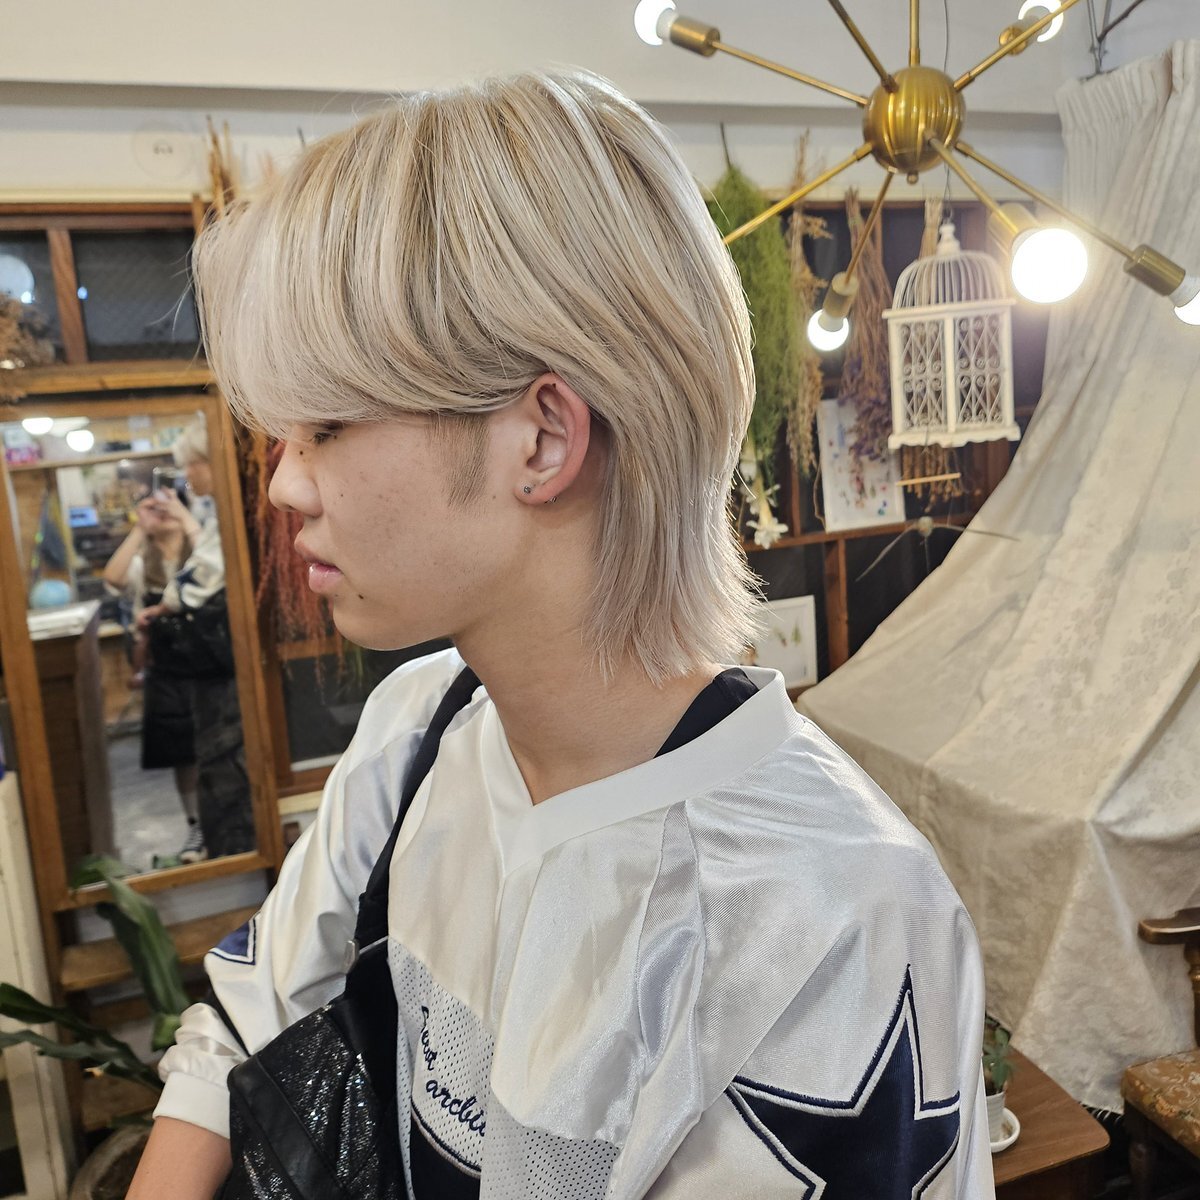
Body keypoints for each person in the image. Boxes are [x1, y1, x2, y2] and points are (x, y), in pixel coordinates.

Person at [130, 71, 994, 1199]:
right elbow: (244, 1023)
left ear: (542, 439)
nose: (286, 483)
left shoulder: (835, 909)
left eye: (327, 424)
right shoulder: (418, 731)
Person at [136, 422, 255, 863]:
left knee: (225, 757)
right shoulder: (217, 512)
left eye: (193, 464)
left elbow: (205, 574)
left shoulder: (230, 513)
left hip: (224, 667)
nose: (187, 474)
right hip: (214, 666)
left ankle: (234, 852)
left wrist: (165, 605)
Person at [103, 486, 203, 862]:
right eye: (155, 509)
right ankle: (195, 825)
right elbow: (113, 578)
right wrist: (139, 528)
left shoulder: (200, 547)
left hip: (209, 664)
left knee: (218, 745)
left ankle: (225, 820)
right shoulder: (142, 563)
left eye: (168, 506)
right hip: (166, 671)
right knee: (182, 753)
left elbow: (219, 566)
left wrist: (183, 514)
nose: (162, 514)